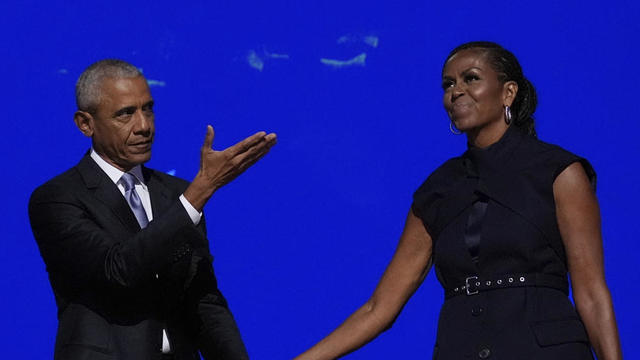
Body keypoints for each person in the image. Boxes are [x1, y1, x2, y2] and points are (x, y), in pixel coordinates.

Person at [295, 42, 621, 359]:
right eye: (448, 84)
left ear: (508, 92)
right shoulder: (438, 190)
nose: (456, 91)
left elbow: (591, 293)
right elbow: (378, 309)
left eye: (471, 78)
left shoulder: (558, 172)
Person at [28, 59, 277, 360]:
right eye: (125, 114)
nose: (144, 126)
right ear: (86, 123)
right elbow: (117, 270)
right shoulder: (56, 198)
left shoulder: (175, 194)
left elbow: (203, 300)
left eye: (148, 109)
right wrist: (197, 195)